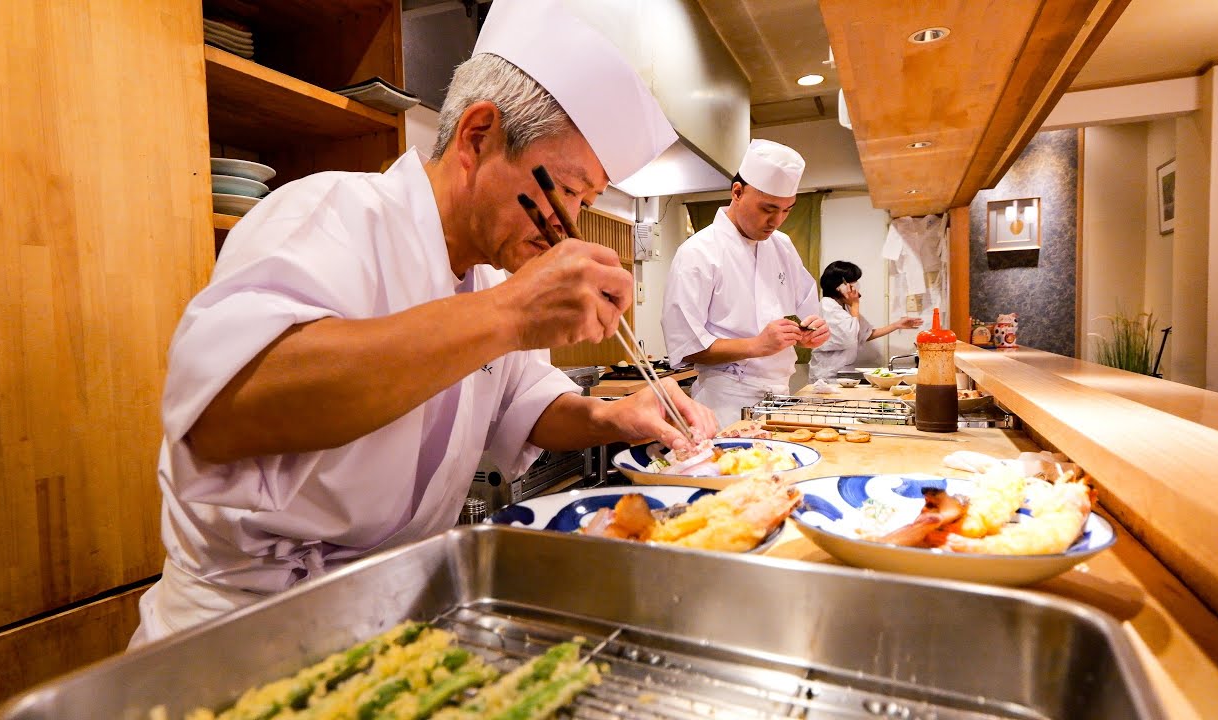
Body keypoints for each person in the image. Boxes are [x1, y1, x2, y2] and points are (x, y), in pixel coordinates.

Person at [130, 0, 717, 646]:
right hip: (240, 632)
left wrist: (611, 416)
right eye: (568, 191)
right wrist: (511, 314)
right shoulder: (330, 215)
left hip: (390, 618)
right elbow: (227, 413)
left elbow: (523, 400)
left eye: (584, 201)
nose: (570, 221)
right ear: (477, 135)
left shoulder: (491, 276)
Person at [661, 140, 831, 428]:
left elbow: (805, 313)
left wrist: (810, 332)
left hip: (780, 396)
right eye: (768, 208)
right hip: (725, 402)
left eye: (787, 210)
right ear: (737, 192)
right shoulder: (699, 251)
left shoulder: (783, 246)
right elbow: (686, 346)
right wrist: (756, 345)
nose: (776, 220)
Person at [808, 261, 923, 382]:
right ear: (840, 286)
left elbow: (864, 334)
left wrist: (896, 325)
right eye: (853, 284)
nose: (857, 290)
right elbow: (850, 337)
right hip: (826, 375)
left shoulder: (845, 307)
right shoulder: (828, 306)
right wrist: (855, 304)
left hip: (840, 373)